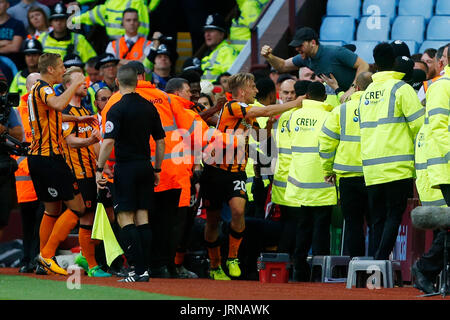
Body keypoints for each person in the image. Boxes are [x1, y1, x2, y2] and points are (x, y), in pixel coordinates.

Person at [201, 72, 305, 280]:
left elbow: (260, 137)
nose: (256, 90)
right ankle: (215, 264)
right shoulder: (233, 106)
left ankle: (232, 258)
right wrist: (296, 102)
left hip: (235, 172)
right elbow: (266, 109)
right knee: (212, 221)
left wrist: (266, 128)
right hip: (215, 171)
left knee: (238, 211)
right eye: (253, 87)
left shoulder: (247, 116)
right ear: (243, 91)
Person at [27, 52, 96, 275]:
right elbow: (57, 104)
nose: (64, 69)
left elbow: (50, 115)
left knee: (52, 210)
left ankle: (43, 260)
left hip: (38, 158)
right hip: (51, 158)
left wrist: (76, 119)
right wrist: (74, 82)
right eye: (61, 66)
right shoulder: (45, 88)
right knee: (78, 207)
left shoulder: (35, 92)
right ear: (50, 70)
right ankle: (46, 255)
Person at [96, 64, 166, 282]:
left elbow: (108, 142)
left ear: (117, 82)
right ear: (137, 82)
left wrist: (99, 168)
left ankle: (139, 269)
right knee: (142, 217)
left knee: (125, 217)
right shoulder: (149, 107)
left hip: (125, 168)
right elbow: (161, 141)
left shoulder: (116, 108)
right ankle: (146, 269)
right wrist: (157, 168)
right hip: (145, 165)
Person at [358, 42, 424, 261]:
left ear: (375, 64)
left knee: (377, 219)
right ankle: (380, 261)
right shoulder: (401, 88)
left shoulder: (367, 93)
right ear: (395, 63)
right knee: (393, 216)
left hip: (372, 167)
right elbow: (419, 125)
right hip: (397, 167)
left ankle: (374, 265)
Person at [58, 66, 111, 277]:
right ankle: (90, 263)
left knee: (106, 217)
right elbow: (70, 142)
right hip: (77, 172)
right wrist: (91, 140)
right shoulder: (65, 113)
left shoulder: (85, 112)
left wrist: (103, 166)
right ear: (69, 86)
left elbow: (96, 145)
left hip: (93, 172)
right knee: (86, 216)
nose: (85, 83)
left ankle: (84, 253)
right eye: (80, 81)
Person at [318, 72, 374, 258]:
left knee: (353, 223)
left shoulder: (341, 110)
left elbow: (326, 142)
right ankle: (377, 266)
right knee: (376, 223)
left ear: (356, 87)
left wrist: (328, 169)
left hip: (347, 175)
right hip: (375, 174)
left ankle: (355, 267)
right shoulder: (380, 108)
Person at [284, 82, 335, 281]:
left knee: (303, 225)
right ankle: (320, 271)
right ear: (323, 97)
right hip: (322, 178)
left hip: (300, 178)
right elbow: (329, 145)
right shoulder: (328, 116)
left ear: (306, 96)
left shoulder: (293, 115)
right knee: (321, 227)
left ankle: (299, 268)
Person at [411, 44, 450, 294]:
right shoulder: (442, 86)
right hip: (446, 167)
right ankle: (425, 268)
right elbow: (438, 126)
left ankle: (425, 269)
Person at [261, 27, 369, 103]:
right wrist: (269, 57)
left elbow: (364, 65)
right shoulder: (305, 58)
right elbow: (282, 66)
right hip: (344, 97)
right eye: (296, 46)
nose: (297, 49)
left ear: (313, 43)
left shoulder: (335, 52)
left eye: (300, 45)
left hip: (363, 94)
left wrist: (352, 89)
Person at [15, 72, 43, 273]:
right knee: (28, 222)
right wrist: (29, 164)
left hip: (44, 174)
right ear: (27, 87)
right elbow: (13, 145)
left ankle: (38, 258)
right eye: (34, 84)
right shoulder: (18, 112)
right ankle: (27, 259)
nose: (37, 88)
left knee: (43, 219)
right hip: (26, 178)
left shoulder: (49, 106)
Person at [0, 75, 23, 242]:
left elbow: (19, 135)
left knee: (1, 217)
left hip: (3, 165)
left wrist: (3, 130)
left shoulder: (8, 110)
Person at [71, 0, 149, 41]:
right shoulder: (108, 5)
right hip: (116, 45)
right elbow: (91, 15)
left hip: (137, 41)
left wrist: (71, 20)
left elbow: (90, 16)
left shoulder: (109, 5)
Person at [200, 13, 238, 82]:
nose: (207, 34)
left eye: (211, 30)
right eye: (206, 31)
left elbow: (229, 78)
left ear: (222, 34)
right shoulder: (209, 53)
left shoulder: (227, 51)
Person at [0, 0, 27, 70]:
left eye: (1, 2)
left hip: (12, 66)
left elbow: (15, 47)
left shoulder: (17, 24)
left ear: (7, 5)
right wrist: (3, 43)